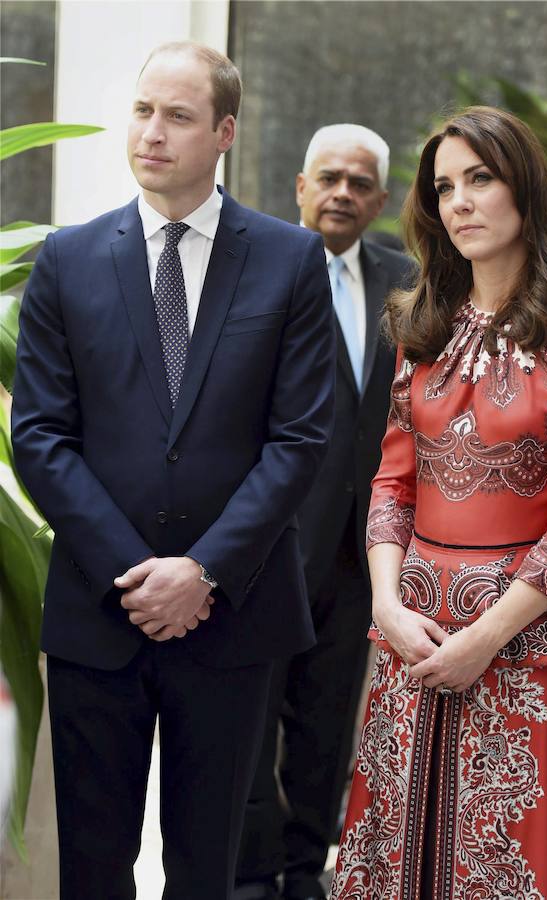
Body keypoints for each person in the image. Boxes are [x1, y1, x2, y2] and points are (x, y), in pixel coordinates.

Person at [11, 41, 335, 900]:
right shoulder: (67, 260)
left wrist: (202, 574)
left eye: (179, 117)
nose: (152, 133)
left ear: (224, 132)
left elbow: (300, 438)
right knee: (92, 865)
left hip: (232, 620)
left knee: (209, 868)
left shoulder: (288, 262)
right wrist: (139, 576)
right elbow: (40, 433)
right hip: (98, 615)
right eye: (144, 111)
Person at [331, 107, 547, 899]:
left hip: (523, 641)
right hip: (413, 634)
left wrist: (485, 640)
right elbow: (393, 483)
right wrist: (388, 607)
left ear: (524, 189)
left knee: (504, 868)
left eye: (480, 179)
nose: (458, 202)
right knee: (390, 861)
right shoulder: (419, 321)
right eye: (443, 187)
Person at [235, 124, 414, 900]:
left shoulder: (410, 282)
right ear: (300, 188)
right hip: (266, 547)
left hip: (359, 554)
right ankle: (249, 877)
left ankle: (307, 874)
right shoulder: (251, 269)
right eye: (329, 178)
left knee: (324, 730)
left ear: (379, 200)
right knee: (249, 728)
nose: (343, 193)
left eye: (360, 182)